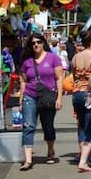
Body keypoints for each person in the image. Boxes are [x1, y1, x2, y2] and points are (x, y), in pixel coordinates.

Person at [17, 32, 64, 171]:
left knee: (48, 126)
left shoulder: (53, 58)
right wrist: (20, 100)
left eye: (38, 42)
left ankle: (50, 151)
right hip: (30, 95)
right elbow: (23, 81)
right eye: (33, 43)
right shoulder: (27, 62)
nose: (36, 45)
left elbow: (59, 78)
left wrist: (59, 98)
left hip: (48, 96)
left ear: (43, 43)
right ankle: (28, 160)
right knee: (28, 126)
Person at [70, 31, 91, 172]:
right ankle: (86, 158)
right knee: (90, 126)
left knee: (81, 125)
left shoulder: (76, 57)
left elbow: (73, 75)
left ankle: (83, 153)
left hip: (76, 93)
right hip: (89, 94)